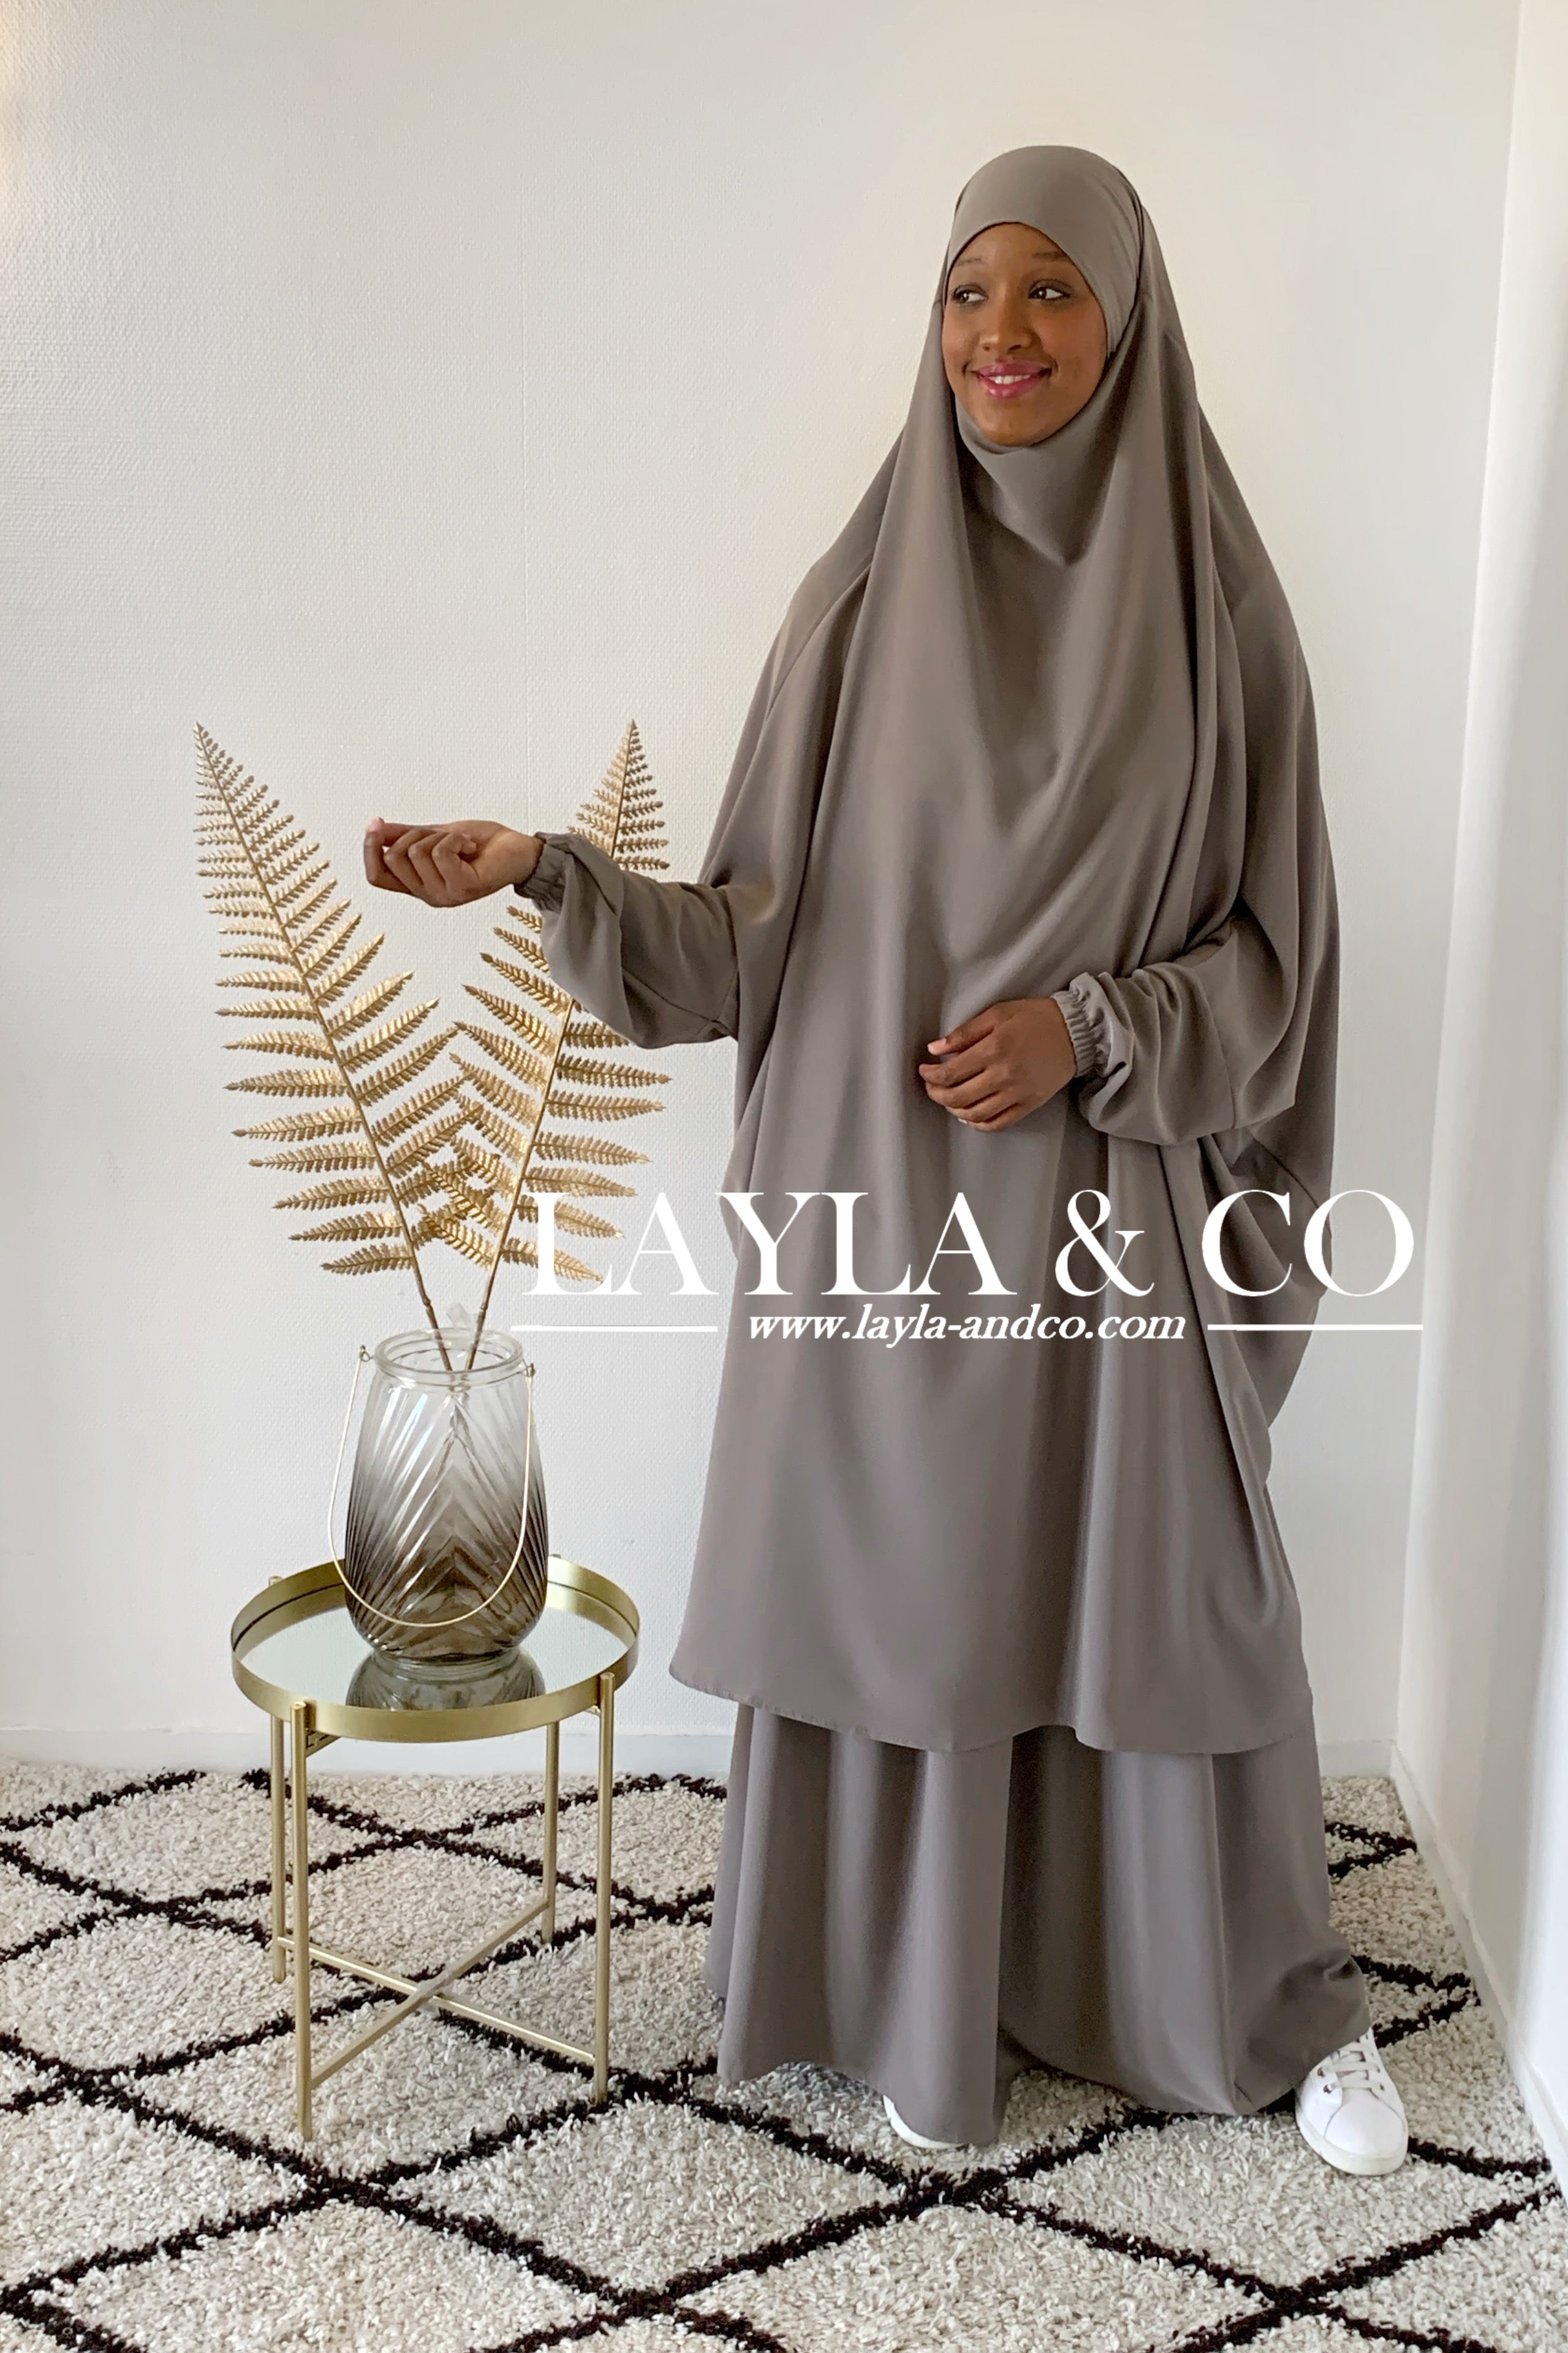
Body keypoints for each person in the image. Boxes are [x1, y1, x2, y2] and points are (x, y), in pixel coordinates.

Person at [364, 145, 1407, 2177]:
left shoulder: (1220, 609)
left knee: (1165, 1593)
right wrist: (549, 874)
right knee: (917, 1585)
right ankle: (911, 2007)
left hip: (1109, 1224)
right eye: (965, 293)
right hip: (885, 1226)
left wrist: (1090, 1029)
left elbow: (1280, 959)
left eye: (1050, 290)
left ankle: (1227, 2000)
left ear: (1129, 318)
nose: (999, 334)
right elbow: (748, 941)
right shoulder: (856, 602)